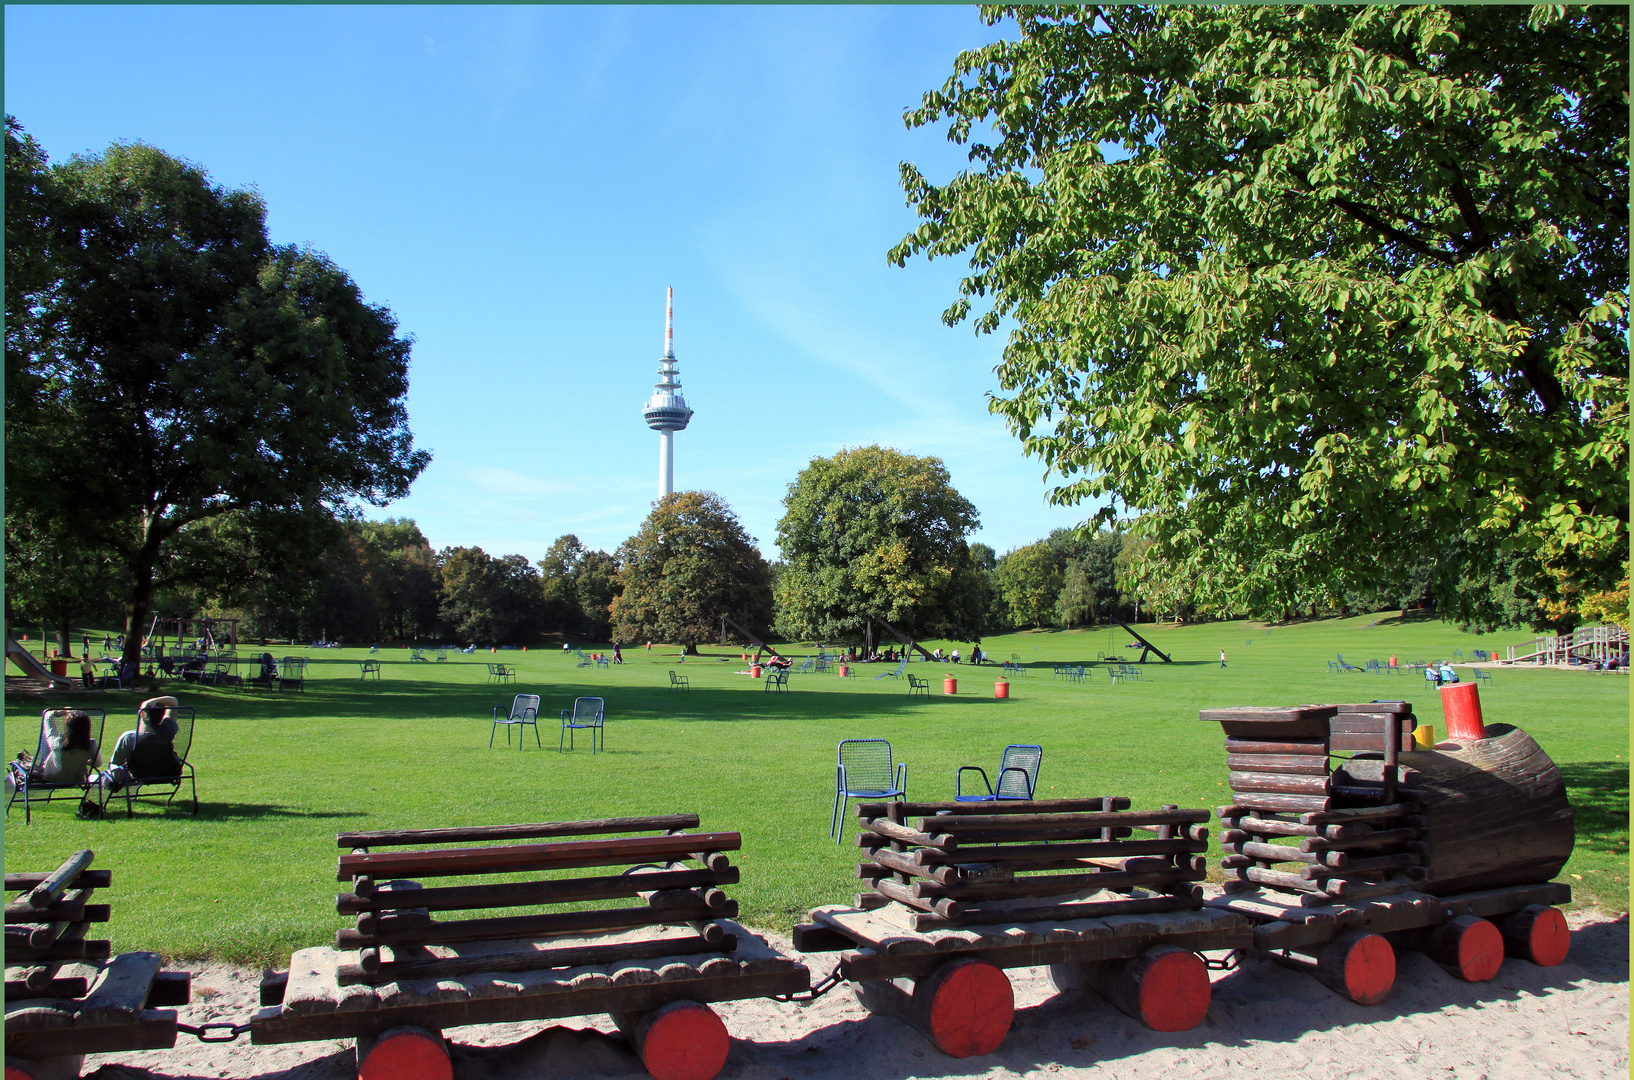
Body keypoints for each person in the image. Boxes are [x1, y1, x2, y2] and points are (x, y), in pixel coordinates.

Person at [103, 696, 183, 793]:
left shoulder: (128, 738)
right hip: (168, 774)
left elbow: (115, 763)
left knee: (103, 776)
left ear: (142, 714)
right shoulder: (167, 730)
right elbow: (174, 701)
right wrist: (155, 701)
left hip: (138, 775)